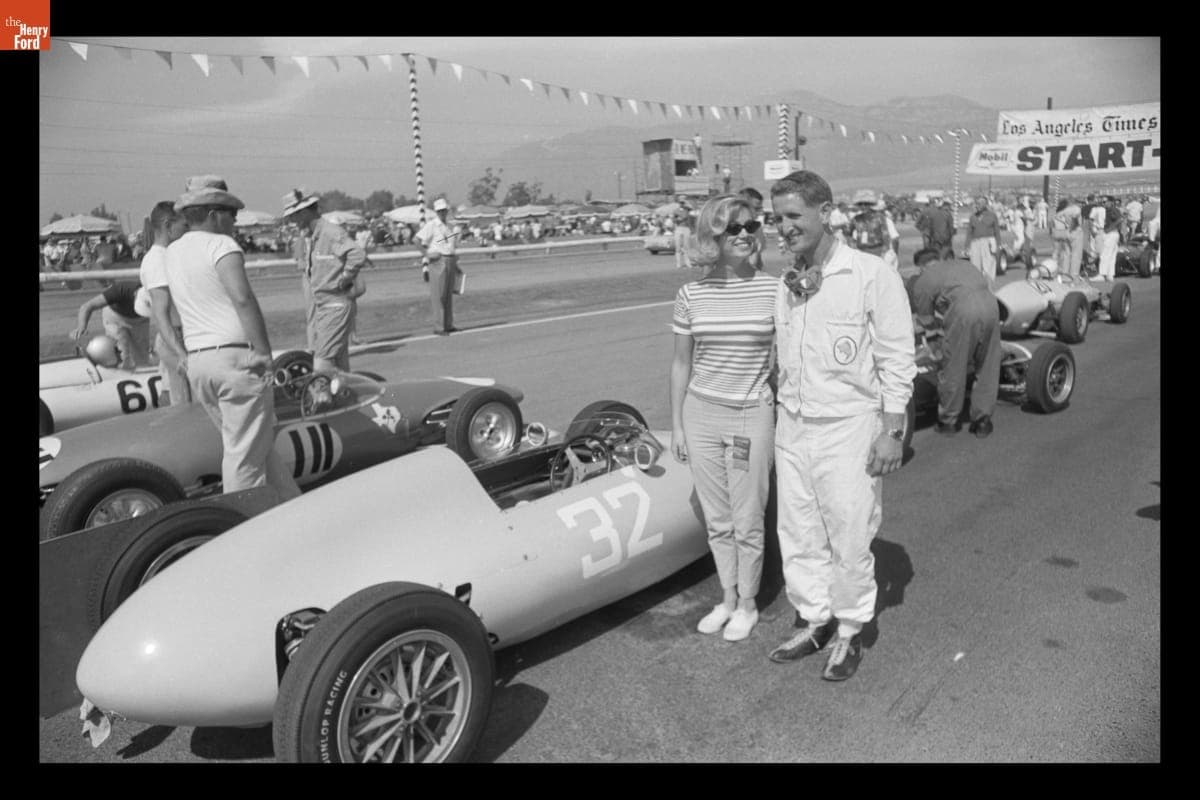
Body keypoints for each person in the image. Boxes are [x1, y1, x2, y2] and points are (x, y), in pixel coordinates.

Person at [767, 170, 916, 681]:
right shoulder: (786, 280)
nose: (783, 228)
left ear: (826, 211)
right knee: (799, 532)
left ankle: (849, 631)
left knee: (850, 534)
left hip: (849, 426)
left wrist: (891, 431)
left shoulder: (871, 274)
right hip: (793, 424)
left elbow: (898, 359)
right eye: (777, 217)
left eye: (793, 216)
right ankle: (814, 618)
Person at [670, 194, 777, 643]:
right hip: (701, 414)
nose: (742, 235)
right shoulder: (691, 294)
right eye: (732, 228)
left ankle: (749, 603)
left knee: (748, 515)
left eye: (750, 227)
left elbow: (790, 358)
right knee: (717, 518)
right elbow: (681, 364)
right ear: (712, 235)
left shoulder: (776, 289)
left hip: (751, 413)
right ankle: (728, 597)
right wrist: (676, 424)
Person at [165, 175, 300, 504]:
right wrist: (264, 351)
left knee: (254, 445)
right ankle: (239, 523)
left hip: (199, 361)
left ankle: (292, 504)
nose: (235, 221)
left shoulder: (172, 251)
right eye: (231, 214)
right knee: (244, 457)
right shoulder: (221, 245)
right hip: (234, 361)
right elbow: (242, 298)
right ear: (214, 214)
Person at [906, 248, 1000, 437]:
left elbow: (926, 321)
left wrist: (939, 337)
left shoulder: (924, 280)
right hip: (991, 305)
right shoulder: (964, 264)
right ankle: (982, 421)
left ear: (922, 267)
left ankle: (948, 421)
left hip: (964, 310)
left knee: (953, 365)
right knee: (988, 363)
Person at [282, 189, 366, 374]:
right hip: (324, 306)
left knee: (322, 365)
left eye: (294, 216)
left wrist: (345, 277)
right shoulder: (313, 236)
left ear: (304, 212)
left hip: (334, 305)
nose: (292, 221)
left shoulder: (329, 232)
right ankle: (346, 396)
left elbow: (357, 254)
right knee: (339, 361)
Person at [138, 200, 192, 405]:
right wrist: (180, 352)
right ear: (169, 226)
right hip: (176, 339)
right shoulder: (157, 261)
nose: (187, 230)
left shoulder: (168, 256)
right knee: (187, 406)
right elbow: (162, 312)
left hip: (178, 337)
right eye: (184, 225)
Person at [69, 280, 153, 370]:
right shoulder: (120, 289)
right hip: (115, 318)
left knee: (142, 356)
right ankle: (119, 376)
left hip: (140, 321)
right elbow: (87, 306)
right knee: (121, 353)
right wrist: (82, 326)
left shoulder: (157, 293)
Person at [415, 198, 462, 335]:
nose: (442, 213)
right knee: (439, 295)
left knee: (448, 294)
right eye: (440, 211)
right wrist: (426, 254)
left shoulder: (448, 226)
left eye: (444, 210)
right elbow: (416, 240)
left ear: (447, 210)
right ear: (436, 211)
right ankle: (439, 326)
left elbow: (451, 246)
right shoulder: (432, 225)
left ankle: (448, 324)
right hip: (438, 260)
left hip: (450, 259)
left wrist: (456, 264)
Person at [964, 195, 1001, 283]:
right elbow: (969, 232)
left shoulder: (992, 215)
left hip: (988, 243)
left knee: (989, 268)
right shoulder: (973, 217)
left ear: (985, 204)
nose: (978, 205)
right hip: (975, 243)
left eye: (980, 203)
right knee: (975, 268)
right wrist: (966, 246)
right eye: (977, 203)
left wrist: (998, 245)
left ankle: (988, 289)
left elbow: (997, 231)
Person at [1052, 198, 1084, 277]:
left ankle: (1065, 272)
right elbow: (1075, 218)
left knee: (1067, 253)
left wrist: (1066, 224)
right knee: (1076, 254)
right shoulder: (1076, 209)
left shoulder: (1065, 210)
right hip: (1076, 230)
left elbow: (1057, 216)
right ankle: (1074, 274)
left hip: (1067, 231)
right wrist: (1073, 225)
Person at [738, 187, 768, 271]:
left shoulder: (758, 230)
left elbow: (758, 260)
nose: (761, 212)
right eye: (756, 208)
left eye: (761, 208)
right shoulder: (727, 231)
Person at [673, 195, 694, 270]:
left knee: (687, 246)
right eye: (680, 201)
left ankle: (687, 263)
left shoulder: (687, 209)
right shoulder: (676, 210)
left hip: (686, 228)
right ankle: (678, 263)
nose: (682, 203)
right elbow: (674, 220)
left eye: (683, 201)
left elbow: (691, 208)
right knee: (678, 246)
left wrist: (686, 202)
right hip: (679, 228)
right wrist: (679, 219)